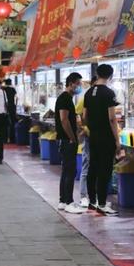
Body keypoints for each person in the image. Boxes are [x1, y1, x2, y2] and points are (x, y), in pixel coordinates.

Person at [83, 64, 120, 216]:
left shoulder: (88, 92)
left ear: (97, 74)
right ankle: (103, 204)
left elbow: (84, 117)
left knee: (93, 168)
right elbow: (112, 118)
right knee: (105, 170)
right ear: (110, 76)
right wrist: (117, 140)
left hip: (94, 136)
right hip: (106, 137)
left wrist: (93, 127)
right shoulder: (109, 93)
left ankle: (92, 202)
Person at [55, 72, 84, 214]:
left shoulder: (67, 98)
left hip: (65, 139)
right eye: (78, 83)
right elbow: (64, 119)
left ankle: (62, 200)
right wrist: (72, 137)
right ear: (71, 83)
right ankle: (68, 202)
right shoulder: (65, 98)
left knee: (66, 170)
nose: (79, 86)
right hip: (67, 140)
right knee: (70, 171)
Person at [76, 76, 98, 208]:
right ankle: (84, 196)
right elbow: (78, 115)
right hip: (89, 136)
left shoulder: (102, 96)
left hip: (99, 137)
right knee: (86, 165)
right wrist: (84, 129)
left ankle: (94, 196)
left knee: (96, 167)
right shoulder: (85, 96)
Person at [3, 79, 18, 143]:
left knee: (5, 124)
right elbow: (16, 98)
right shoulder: (13, 89)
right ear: (11, 82)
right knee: (12, 123)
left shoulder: (3, 90)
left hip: (5, 108)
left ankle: (5, 139)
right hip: (12, 107)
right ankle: (12, 139)